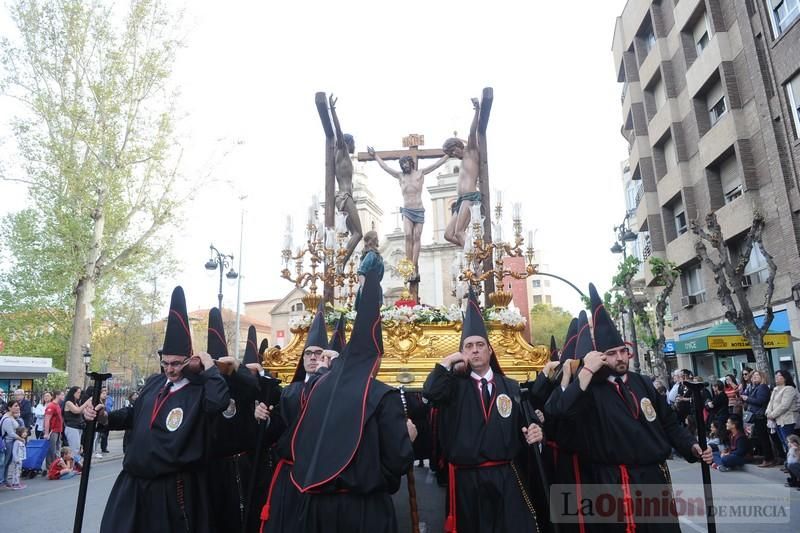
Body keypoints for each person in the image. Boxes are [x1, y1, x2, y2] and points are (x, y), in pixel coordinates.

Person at [555, 283, 712, 531]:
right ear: (600, 357)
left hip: (653, 481)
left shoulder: (644, 383)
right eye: (611, 353)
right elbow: (562, 412)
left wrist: (691, 446)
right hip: (613, 483)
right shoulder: (590, 389)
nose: (619, 357)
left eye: (623, 351)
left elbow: (668, 423)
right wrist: (584, 371)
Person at [83, 286, 230, 533]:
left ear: (190, 361)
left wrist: (209, 367)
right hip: (132, 484)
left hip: (171, 489)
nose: (170, 369)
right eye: (165, 363)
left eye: (176, 364)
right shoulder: (154, 383)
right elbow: (132, 415)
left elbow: (219, 402)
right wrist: (104, 416)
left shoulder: (199, 391)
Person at [289, 269, 416, 533]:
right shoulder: (383, 395)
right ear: (376, 359)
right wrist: (409, 438)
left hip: (316, 509)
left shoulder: (318, 389)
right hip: (364, 510)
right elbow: (398, 461)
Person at [423, 288, 543, 533]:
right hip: (467, 481)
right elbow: (429, 392)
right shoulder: (451, 388)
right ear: (463, 352)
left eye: (480, 345)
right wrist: (449, 361)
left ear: (490, 350)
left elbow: (528, 425)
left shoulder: (510, 387)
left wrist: (536, 432)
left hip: (505, 476)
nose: (475, 350)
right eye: (468, 346)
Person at [255, 304, 331, 533]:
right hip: (290, 474)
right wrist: (265, 419)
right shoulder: (289, 391)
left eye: (318, 353)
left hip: (322, 474)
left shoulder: (334, 390)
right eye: (308, 353)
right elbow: (279, 428)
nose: (312, 357)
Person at [205, 311, 260, 533]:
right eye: (213, 365)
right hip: (211, 464)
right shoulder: (204, 387)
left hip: (240, 464)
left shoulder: (240, 385)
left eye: (222, 365)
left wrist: (237, 366)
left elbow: (255, 386)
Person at [367, 145, 448, 280]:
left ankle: (414, 265)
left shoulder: (420, 174)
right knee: (408, 235)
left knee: (417, 236)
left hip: (419, 209)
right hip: (407, 210)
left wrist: (447, 156)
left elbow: (435, 165)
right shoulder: (400, 176)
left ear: (411, 163)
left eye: (406, 162)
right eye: (402, 163)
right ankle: (408, 264)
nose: (404, 165)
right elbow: (386, 168)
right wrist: (375, 156)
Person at [443, 98, 482, 248]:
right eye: (450, 153)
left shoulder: (471, 151)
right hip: (461, 200)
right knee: (448, 235)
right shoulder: (461, 159)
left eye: (453, 150)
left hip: (470, 196)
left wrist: (477, 110)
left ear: (459, 145)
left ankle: (475, 263)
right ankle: (473, 250)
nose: (453, 154)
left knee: (459, 231)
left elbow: (473, 131)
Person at [329, 94, 363, 265]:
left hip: (345, 197)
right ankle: (340, 262)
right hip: (344, 196)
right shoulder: (342, 151)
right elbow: (338, 131)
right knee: (358, 233)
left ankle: (340, 262)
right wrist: (333, 110)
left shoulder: (344, 157)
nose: (355, 145)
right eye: (354, 142)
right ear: (348, 142)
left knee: (355, 233)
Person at [742, 370, 775, 467]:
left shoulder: (762, 387)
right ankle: (767, 457)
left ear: (762, 377)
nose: (754, 377)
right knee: (760, 438)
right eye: (753, 376)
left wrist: (747, 399)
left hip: (760, 416)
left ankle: (769, 458)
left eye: (757, 375)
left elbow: (761, 401)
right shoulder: (754, 387)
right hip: (756, 416)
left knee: (764, 438)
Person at [766, 370, 798, 454]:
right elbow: (771, 402)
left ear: (785, 378)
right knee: (784, 442)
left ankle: (793, 463)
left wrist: (772, 415)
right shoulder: (775, 389)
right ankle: (789, 461)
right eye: (775, 375)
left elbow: (784, 405)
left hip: (787, 420)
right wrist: (768, 412)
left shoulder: (789, 389)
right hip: (777, 420)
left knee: (789, 442)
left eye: (779, 375)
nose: (776, 377)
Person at [354, 230, 384, 310]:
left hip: (375, 288)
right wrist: (365, 289)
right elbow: (361, 272)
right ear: (374, 240)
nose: (378, 240)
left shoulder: (377, 256)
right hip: (369, 289)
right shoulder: (371, 255)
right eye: (377, 238)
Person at [1, 399, 25, 486]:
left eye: (18, 406)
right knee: (5, 462)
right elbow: (11, 433)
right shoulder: (7, 419)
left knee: (7, 462)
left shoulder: (12, 417)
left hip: (11, 442)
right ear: (9, 407)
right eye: (15, 406)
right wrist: (20, 438)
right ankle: (2, 480)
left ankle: (4, 479)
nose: (17, 407)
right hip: (7, 442)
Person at [43, 390, 65, 471]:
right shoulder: (51, 406)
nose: (63, 396)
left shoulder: (57, 405)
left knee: (56, 449)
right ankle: (50, 467)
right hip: (52, 431)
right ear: (57, 396)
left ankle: (53, 466)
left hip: (58, 430)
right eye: (62, 395)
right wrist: (46, 433)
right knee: (52, 450)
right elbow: (47, 419)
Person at [62, 386, 84, 450]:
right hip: (72, 427)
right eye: (78, 392)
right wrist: (86, 402)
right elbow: (77, 411)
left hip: (78, 427)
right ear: (73, 393)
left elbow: (82, 411)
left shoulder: (76, 403)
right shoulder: (68, 403)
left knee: (78, 447)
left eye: (80, 392)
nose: (79, 394)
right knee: (75, 448)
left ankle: (76, 459)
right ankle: (74, 459)